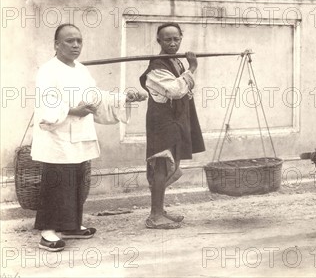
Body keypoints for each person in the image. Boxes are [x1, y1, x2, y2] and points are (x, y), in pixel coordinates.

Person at [32, 24, 146, 252]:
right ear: (56, 44)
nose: (75, 45)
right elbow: (46, 103)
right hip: (58, 135)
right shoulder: (48, 70)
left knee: (76, 181)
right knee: (57, 182)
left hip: (80, 134)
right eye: (69, 41)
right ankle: (47, 231)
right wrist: (73, 110)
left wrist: (124, 97)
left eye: (79, 41)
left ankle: (71, 226)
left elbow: (96, 97)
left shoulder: (81, 70)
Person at [139, 23, 205, 230]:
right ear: (159, 41)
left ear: (181, 38)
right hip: (161, 123)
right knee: (161, 165)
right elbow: (176, 90)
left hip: (174, 121)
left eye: (176, 39)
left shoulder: (176, 63)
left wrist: (187, 75)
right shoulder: (157, 67)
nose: (173, 43)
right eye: (167, 39)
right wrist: (193, 68)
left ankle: (161, 210)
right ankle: (155, 215)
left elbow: (186, 90)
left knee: (170, 164)